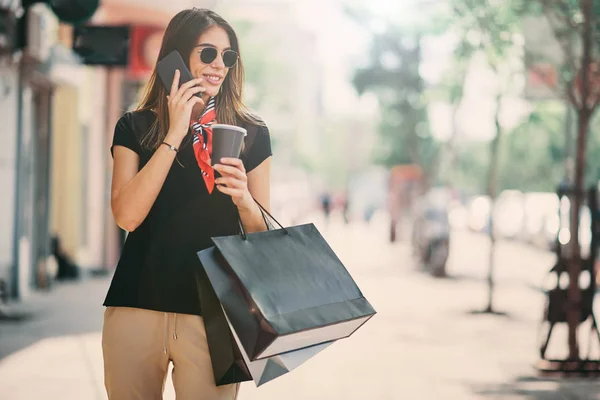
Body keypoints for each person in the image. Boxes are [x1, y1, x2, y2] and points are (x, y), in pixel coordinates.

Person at [102, 8, 271, 400]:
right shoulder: (135, 126)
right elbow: (127, 215)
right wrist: (175, 131)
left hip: (219, 312)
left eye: (228, 57)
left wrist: (244, 198)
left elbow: (263, 237)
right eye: (207, 53)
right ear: (176, 57)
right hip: (138, 305)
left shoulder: (252, 133)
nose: (218, 65)